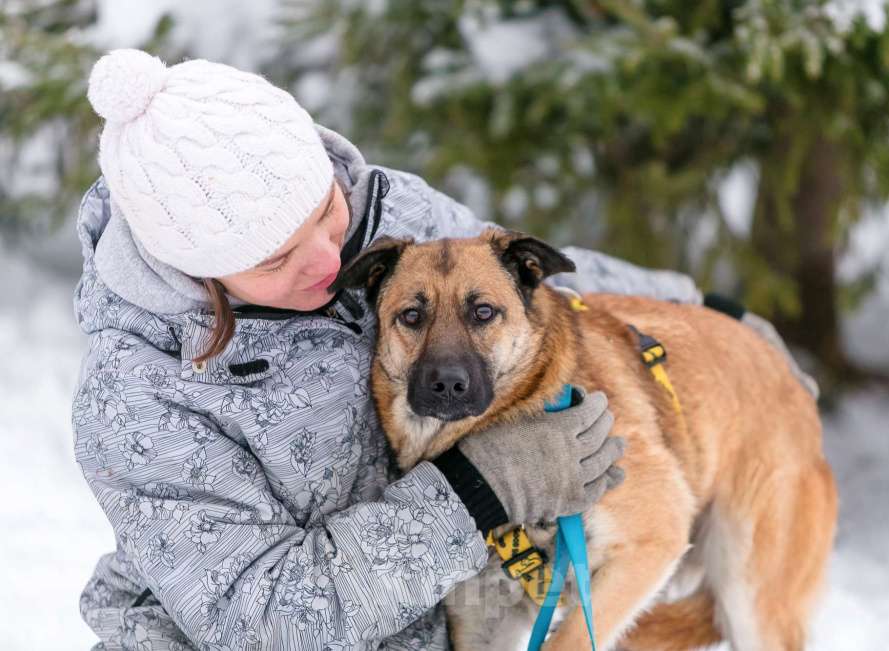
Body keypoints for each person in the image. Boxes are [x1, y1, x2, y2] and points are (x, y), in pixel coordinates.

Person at [72, 49, 807, 650]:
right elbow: (265, 619)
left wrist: (705, 305)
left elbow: (522, 277)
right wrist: (477, 490)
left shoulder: (381, 212)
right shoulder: (137, 397)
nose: (330, 259)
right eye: (277, 259)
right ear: (201, 271)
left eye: (326, 213)